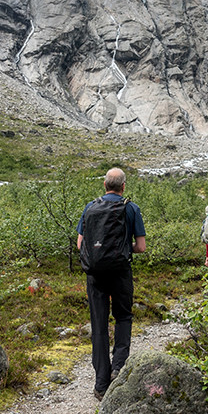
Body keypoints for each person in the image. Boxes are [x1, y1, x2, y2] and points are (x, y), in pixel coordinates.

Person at [77, 167, 146, 400]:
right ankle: (119, 366)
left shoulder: (90, 207)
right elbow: (141, 247)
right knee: (123, 316)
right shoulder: (131, 208)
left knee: (99, 324)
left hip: (95, 274)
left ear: (104, 185)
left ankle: (100, 384)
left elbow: (80, 245)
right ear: (123, 186)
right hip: (121, 271)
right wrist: (123, 249)